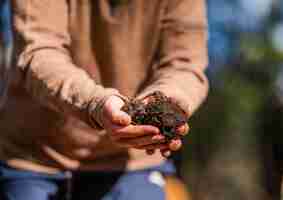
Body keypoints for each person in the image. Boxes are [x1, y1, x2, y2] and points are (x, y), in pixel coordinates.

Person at [0, 0, 209, 200]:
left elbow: (185, 64)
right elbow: (39, 52)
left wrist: (170, 95)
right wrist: (96, 104)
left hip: (131, 162)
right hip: (36, 156)